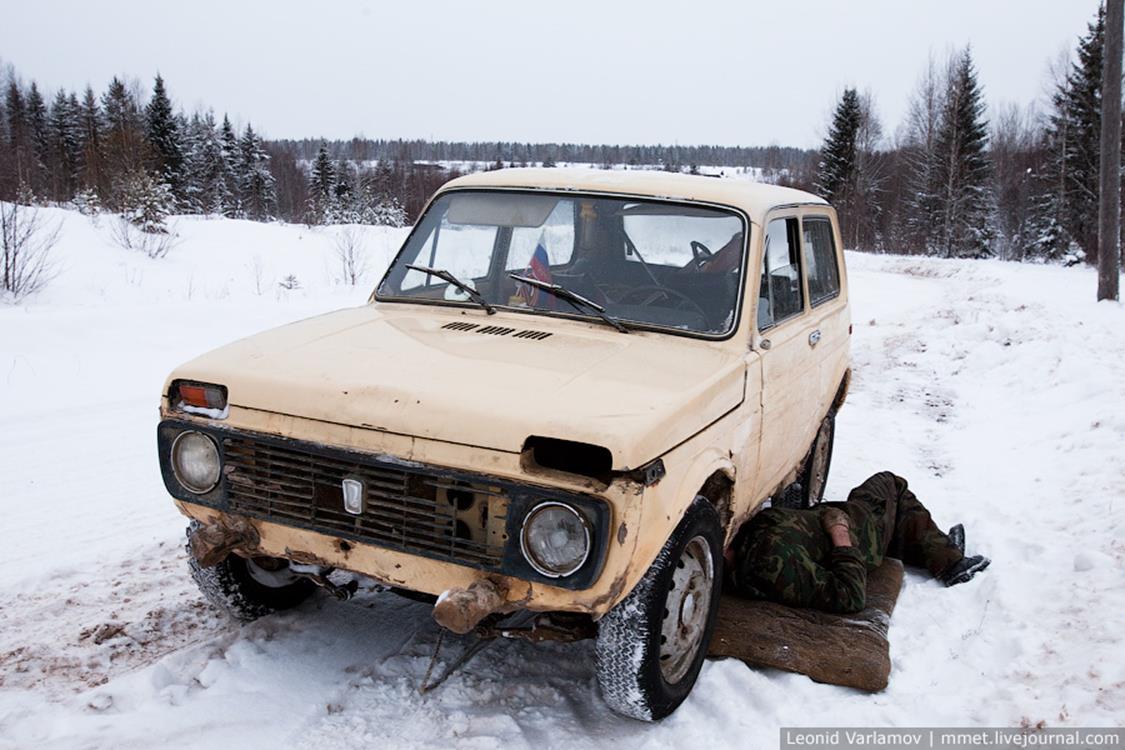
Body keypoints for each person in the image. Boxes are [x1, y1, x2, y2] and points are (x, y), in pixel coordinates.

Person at [728, 471, 990, 614]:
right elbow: (849, 596)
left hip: (844, 516)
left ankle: (921, 543)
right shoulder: (770, 565)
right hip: (859, 534)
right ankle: (951, 563)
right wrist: (840, 533)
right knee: (890, 484)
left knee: (887, 506)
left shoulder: (745, 545)